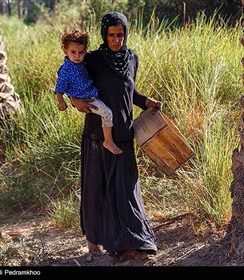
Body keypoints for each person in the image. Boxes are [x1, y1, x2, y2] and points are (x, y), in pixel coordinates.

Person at [70, 11, 162, 261]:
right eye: (111, 35)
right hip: (97, 136)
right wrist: (74, 99)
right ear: (104, 34)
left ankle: (132, 242)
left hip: (123, 134)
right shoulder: (93, 60)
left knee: (126, 188)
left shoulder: (132, 58)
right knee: (96, 187)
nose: (116, 40)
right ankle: (93, 241)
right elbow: (73, 80)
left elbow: (128, 92)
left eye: (120, 35)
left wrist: (147, 102)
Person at [54, 29, 122, 155]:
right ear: (65, 51)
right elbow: (60, 87)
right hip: (87, 99)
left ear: (85, 51)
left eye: (81, 52)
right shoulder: (66, 69)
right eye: (73, 52)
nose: (77, 56)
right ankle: (108, 141)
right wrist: (62, 101)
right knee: (107, 113)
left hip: (91, 94)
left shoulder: (82, 62)